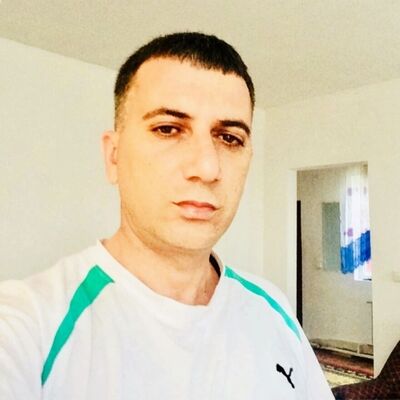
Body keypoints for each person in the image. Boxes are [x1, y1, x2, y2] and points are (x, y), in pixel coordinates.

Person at [0, 32, 334, 399]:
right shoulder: (28, 326)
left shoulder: (273, 309)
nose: (207, 168)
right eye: (168, 129)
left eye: (229, 138)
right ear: (114, 157)